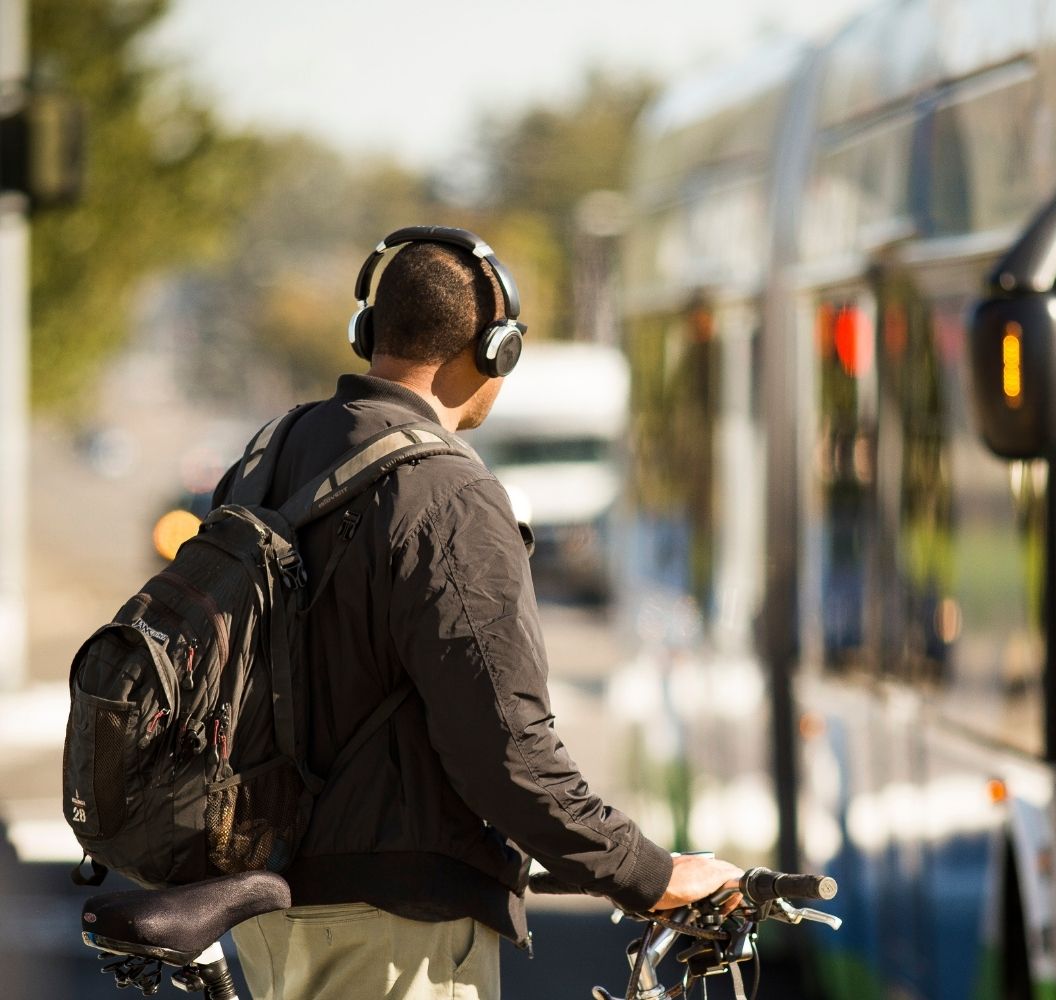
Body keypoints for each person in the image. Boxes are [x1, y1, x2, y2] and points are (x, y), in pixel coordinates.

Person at [217, 228, 741, 1000]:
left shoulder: (269, 454)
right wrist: (650, 873)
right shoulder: (449, 495)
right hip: (392, 932)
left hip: (264, 908)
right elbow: (507, 750)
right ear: (496, 351)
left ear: (370, 332)